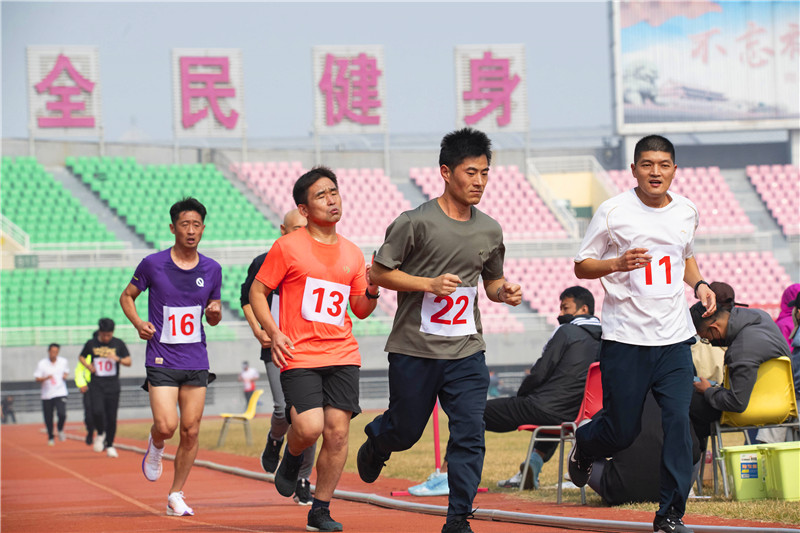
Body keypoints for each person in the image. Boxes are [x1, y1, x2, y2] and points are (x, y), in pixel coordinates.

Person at [357, 128, 522, 533]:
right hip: (415, 349)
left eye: (485, 172)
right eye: (471, 172)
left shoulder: (490, 230)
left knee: (470, 432)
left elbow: (492, 282)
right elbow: (379, 273)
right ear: (446, 172)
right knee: (406, 430)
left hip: (466, 350)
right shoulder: (414, 223)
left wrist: (504, 293)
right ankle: (379, 440)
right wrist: (427, 284)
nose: (479, 181)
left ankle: (458, 518)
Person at [569, 134, 716, 533]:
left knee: (678, 424)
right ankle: (586, 442)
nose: (656, 172)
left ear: (674, 170)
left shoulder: (687, 210)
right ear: (633, 169)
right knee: (623, 430)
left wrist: (700, 284)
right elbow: (582, 265)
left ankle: (670, 514)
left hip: (674, 339)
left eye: (663, 165)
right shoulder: (613, 211)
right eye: (647, 164)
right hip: (626, 339)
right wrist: (616, 263)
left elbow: (685, 255)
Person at [249, 167, 379, 532]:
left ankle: (320, 509)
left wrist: (372, 288)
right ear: (304, 210)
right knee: (308, 428)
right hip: (299, 353)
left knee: (337, 434)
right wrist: (273, 332)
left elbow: (360, 309)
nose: (331, 200)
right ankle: (292, 456)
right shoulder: (287, 247)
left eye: (334, 192)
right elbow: (258, 292)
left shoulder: (352, 252)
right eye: (321, 195)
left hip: (342, 353)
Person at [120, 197, 222, 517]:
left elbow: (213, 314)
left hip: (196, 359)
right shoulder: (153, 264)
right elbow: (127, 296)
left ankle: (175, 493)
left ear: (203, 229)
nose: (191, 231)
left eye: (196, 225)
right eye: (184, 224)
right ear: (172, 228)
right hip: (161, 358)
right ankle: (156, 443)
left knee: (191, 431)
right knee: (167, 425)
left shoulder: (213, 269)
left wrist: (215, 313)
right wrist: (139, 323)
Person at [240, 207, 317, 506]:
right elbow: (247, 298)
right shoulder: (264, 261)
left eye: (306, 228)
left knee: (308, 414)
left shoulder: (317, 261)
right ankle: (275, 440)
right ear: (283, 231)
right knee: (284, 409)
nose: (302, 234)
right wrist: (259, 330)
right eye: (296, 229)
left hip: (309, 346)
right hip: (275, 344)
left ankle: (303, 478)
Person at [493, 286, 601, 490]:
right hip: (577, 415)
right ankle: (532, 464)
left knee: (474, 413)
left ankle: (449, 473)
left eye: (565, 308)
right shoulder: (605, 338)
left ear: (584, 309)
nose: (560, 313)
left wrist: (522, 394)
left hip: (544, 407)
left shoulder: (567, 331)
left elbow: (540, 371)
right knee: (554, 416)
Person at [689, 298, 791, 448]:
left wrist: (708, 390)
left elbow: (736, 403)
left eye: (705, 338)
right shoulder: (760, 316)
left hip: (750, 408)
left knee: (688, 402)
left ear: (715, 328)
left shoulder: (740, 350)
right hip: (783, 404)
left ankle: (693, 455)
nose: (709, 342)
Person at [587, 392, 701, 506]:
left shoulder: (619, 402)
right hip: (671, 491)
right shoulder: (676, 405)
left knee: (583, 441)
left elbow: (592, 441)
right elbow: (695, 454)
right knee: (693, 456)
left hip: (619, 490)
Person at [79, 318, 132, 458]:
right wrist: (88, 366)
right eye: (104, 335)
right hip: (96, 384)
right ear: (99, 332)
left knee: (112, 417)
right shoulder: (91, 343)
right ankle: (101, 432)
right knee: (97, 411)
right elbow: (81, 357)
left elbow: (129, 361)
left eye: (109, 335)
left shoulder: (118, 343)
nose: (106, 338)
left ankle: (110, 445)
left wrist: (118, 359)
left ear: (112, 333)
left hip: (113, 385)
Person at [34, 343, 69, 445]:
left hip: (60, 392)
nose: (54, 353)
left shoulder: (63, 361)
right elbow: (37, 378)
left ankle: (60, 429)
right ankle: (50, 436)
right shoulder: (42, 364)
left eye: (56, 352)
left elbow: (66, 371)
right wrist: (45, 378)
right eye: (52, 351)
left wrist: (65, 375)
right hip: (47, 394)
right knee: (48, 417)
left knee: (62, 413)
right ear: (49, 351)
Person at [74, 354, 94, 444]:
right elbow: (79, 371)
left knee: (102, 412)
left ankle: (103, 435)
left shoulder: (107, 353)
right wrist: (81, 384)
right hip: (88, 388)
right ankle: (90, 431)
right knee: (88, 414)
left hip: (103, 387)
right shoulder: (86, 357)